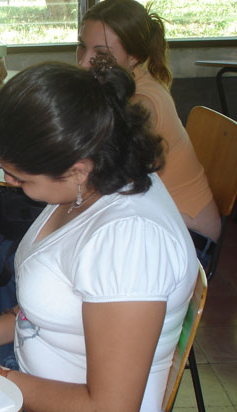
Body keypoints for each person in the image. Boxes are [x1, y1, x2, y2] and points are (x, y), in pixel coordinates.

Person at [0, 61, 198, 412]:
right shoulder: (89, 184)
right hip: (30, 379)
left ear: (77, 169)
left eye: (21, 178)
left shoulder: (129, 239)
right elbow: (44, 314)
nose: (9, 182)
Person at [76, 0, 221, 267]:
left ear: (134, 57)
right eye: (81, 47)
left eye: (101, 54)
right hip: (156, 216)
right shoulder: (118, 85)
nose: (84, 62)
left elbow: (104, 174)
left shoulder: (144, 102)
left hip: (189, 236)